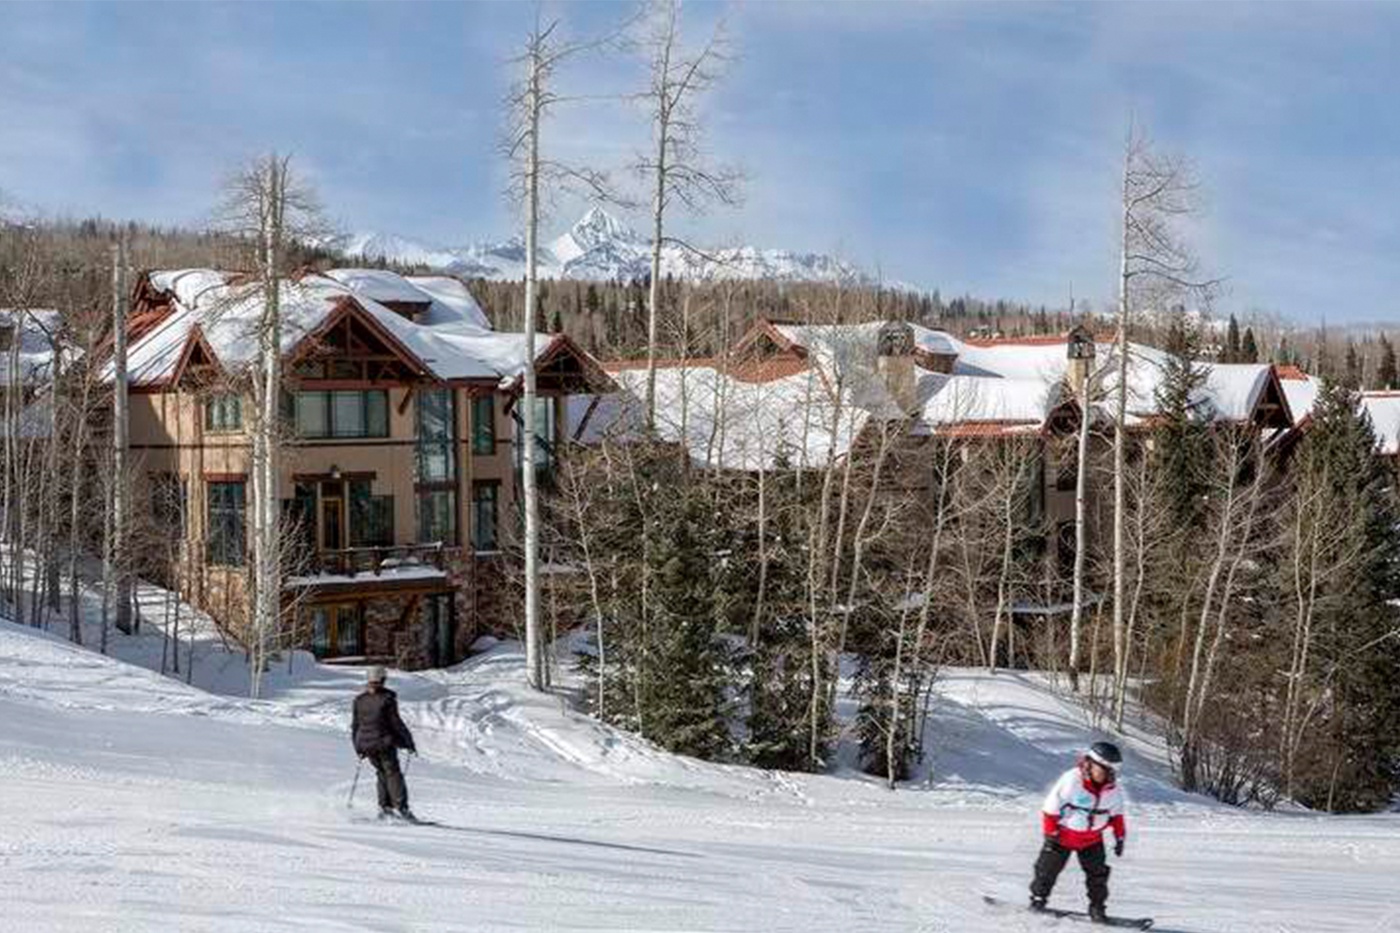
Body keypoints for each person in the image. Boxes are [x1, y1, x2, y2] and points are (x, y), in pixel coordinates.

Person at [1030, 741, 1128, 924]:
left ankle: (1097, 908)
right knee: (1046, 870)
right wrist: (1050, 834)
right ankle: (1038, 900)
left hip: (1092, 840)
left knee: (1098, 876)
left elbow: (1117, 815)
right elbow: (1051, 808)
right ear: (1090, 763)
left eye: (1111, 771)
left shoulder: (1113, 789)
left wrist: (1120, 837)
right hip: (1062, 837)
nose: (1107, 774)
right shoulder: (1072, 779)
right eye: (1104, 769)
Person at [351, 666, 418, 821]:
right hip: (383, 742)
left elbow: (355, 725)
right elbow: (395, 723)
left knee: (382, 773)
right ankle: (402, 808)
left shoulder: (359, 700)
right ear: (382, 679)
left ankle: (385, 808)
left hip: (367, 745)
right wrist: (408, 742)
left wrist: (358, 747)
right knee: (393, 773)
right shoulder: (387, 698)